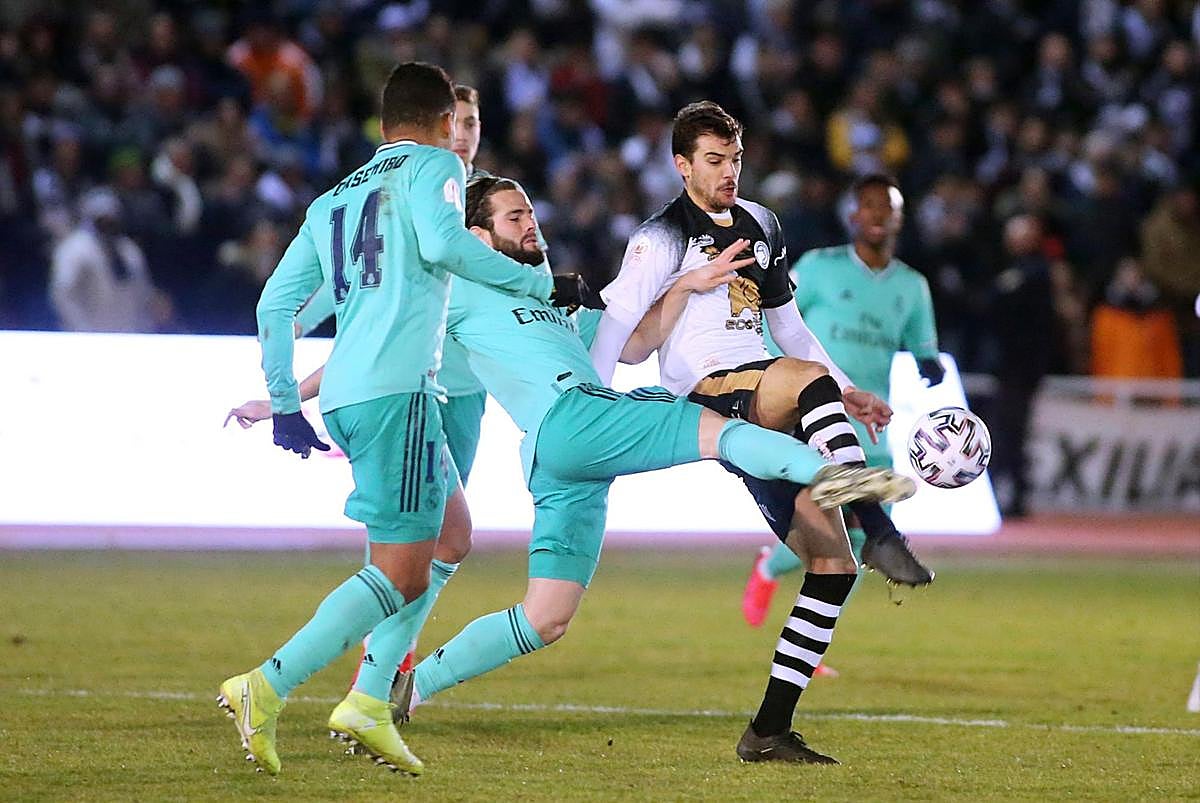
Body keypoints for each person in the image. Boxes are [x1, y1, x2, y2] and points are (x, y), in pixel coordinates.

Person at [236, 174, 916, 768]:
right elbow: (373, 346)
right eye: (514, 216)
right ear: (474, 233)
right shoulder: (458, 292)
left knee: (546, 616)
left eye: (531, 212)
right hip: (574, 421)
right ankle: (840, 478)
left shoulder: (550, 296)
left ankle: (414, 686)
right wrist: (284, 398)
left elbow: (637, 342)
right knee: (722, 432)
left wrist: (684, 285)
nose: (532, 223)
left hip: (561, 458)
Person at [216, 62, 565, 778]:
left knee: (451, 534)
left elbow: (277, 307)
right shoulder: (435, 166)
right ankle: (267, 684)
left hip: (354, 391)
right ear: (443, 123)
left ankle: (370, 698)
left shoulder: (330, 201)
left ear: (381, 125)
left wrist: (285, 399)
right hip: (397, 393)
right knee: (401, 572)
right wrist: (532, 278)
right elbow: (443, 246)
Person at [588, 101, 933, 764]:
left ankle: (768, 730)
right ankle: (880, 526)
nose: (728, 173)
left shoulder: (762, 225)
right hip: (715, 390)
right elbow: (623, 341)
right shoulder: (657, 239)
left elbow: (792, 324)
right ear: (681, 164)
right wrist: (597, 395)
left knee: (831, 568)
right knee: (804, 382)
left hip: (766, 397)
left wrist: (846, 386)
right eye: (714, 161)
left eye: (735, 159)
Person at [741, 174, 944, 641]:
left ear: (899, 217)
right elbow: (776, 319)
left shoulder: (911, 287)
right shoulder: (818, 268)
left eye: (886, 206)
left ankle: (815, 640)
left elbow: (923, 346)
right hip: (818, 421)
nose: (876, 213)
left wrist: (929, 364)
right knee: (827, 524)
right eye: (867, 205)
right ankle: (770, 568)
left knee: (871, 539)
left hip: (872, 424)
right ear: (852, 215)